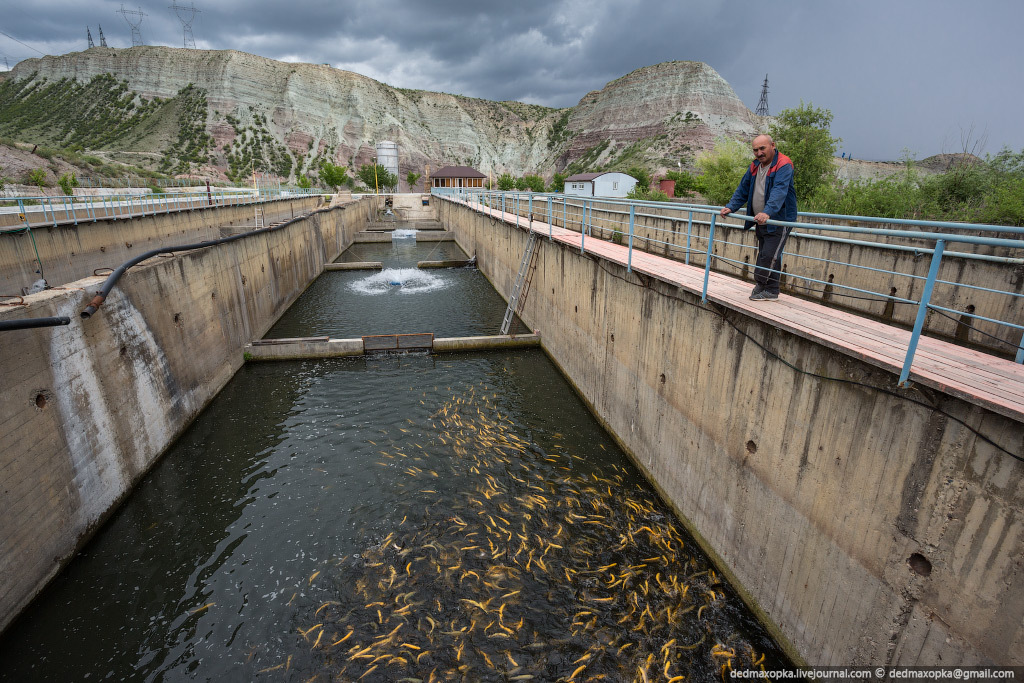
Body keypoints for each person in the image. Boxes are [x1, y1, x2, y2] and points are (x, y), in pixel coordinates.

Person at [719, 134, 798, 301]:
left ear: (773, 146)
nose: (759, 153)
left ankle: (762, 284)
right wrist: (731, 206)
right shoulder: (755, 166)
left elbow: (779, 191)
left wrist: (767, 211)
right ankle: (772, 290)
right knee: (768, 253)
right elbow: (743, 189)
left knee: (768, 254)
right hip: (761, 219)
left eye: (762, 148)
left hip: (779, 219)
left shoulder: (783, 164)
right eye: (755, 150)